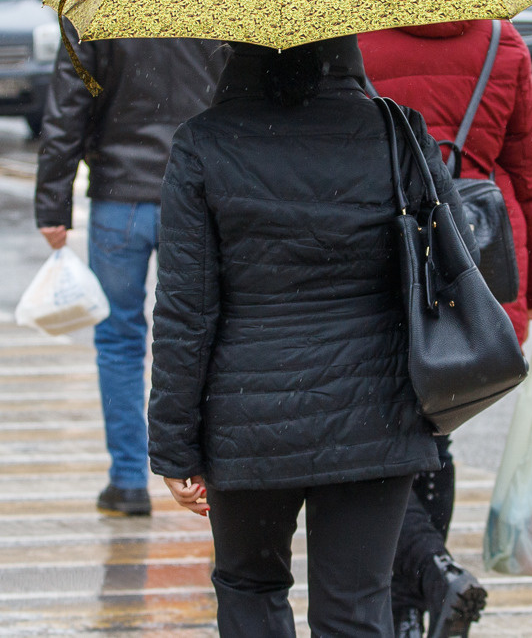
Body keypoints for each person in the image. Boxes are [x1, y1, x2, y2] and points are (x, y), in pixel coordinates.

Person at [150, 36, 476, 638]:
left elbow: (185, 311)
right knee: (355, 608)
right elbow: (458, 254)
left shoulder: (203, 142)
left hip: (249, 417)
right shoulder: (397, 132)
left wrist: (174, 446)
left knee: (251, 588)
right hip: (375, 411)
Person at [361, 19, 532, 638]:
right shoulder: (502, 47)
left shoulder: (356, 39)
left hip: (385, 269)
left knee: (376, 446)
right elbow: (530, 180)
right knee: (434, 440)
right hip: (471, 277)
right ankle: (417, 602)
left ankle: (427, 580)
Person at [34, 0, 226, 517]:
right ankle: (201, 476)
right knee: (200, 336)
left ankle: (126, 480)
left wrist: (52, 204)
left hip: (118, 198)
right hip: (196, 201)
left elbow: (67, 110)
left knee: (119, 338)